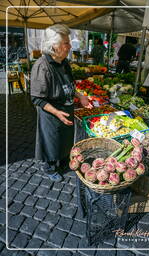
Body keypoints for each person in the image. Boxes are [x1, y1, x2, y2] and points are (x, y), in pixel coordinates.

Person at [31, 24, 92, 182]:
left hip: (67, 108)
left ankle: (63, 161)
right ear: (54, 46)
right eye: (66, 43)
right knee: (51, 140)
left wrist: (80, 96)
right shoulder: (42, 66)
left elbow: (70, 86)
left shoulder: (65, 63)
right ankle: (49, 166)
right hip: (52, 113)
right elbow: (37, 98)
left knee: (65, 138)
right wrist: (57, 112)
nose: (70, 46)